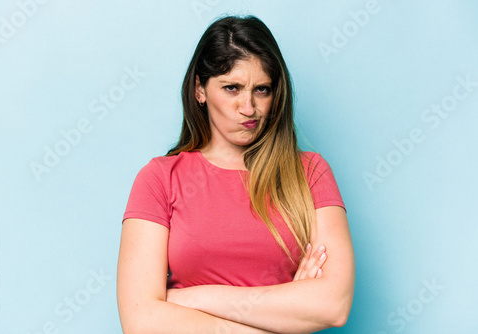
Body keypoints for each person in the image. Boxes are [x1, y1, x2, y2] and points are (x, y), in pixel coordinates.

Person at [117, 15, 355, 334]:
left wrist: (194, 298)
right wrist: (284, 313)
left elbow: (333, 306)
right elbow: (141, 321)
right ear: (200, 89)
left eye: (262, 90)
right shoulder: (160, 178)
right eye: (232, 88)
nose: (248, 107)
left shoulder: (310, 173)